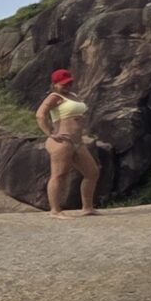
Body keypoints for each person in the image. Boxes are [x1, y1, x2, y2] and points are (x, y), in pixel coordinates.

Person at [36, 68, 101, 217]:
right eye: (63, 84)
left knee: (92, 172)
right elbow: (40, 115)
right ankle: (55, 210)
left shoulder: (73, 95)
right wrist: (51, 133)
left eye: (69, 83)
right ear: (55, 84)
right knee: (59, 175)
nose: (67, 86)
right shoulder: (54, 96)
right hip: (62, 141)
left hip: (78, 141)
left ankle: (87, 207)